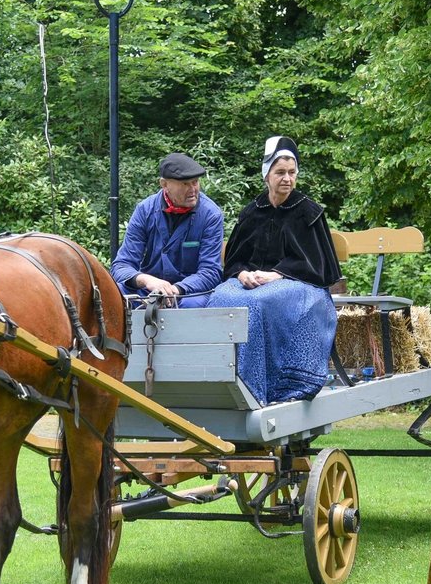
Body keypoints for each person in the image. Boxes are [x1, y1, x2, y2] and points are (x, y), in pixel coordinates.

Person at [207, 136, 342, 404]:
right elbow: (235, 259)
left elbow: (316, 265)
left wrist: (276, 274)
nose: (287, 179)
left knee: (258, 302)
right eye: (280, 172)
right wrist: (242, 274)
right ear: (266, 175)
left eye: (292, 173)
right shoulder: (252, 212)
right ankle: (221, 380)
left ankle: (256, 387)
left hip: (300, 286)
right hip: (252, 282)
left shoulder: (308, 212)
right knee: (221, 296)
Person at [110, 152, 224, 308]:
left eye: (195, 182)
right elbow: (121, 265)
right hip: (149, 289)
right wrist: (147, 280)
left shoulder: (211, 214)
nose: (193, 189)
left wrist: (175, 290)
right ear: (164, 184)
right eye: (185, 184)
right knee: (114, 295)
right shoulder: (145, 210)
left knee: (191, 306)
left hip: (190, 293)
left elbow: (210, 272)